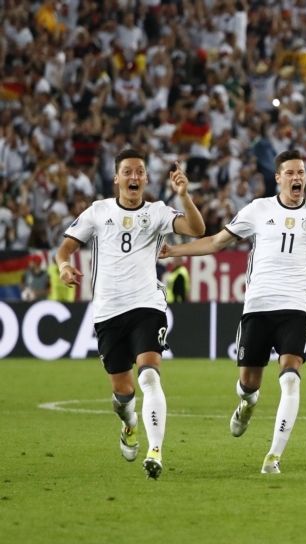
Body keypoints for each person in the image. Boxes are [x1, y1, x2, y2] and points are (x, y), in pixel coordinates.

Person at [160, 149, 306, 474]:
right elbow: (217, 242)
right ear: (278, 177)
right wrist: (174, 250)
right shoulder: (258, 209)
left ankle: (273, 457)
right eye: (290, 172)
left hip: (295, 308)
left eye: (301, 172)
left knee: (291, 378)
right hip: (258, 307)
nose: (297, 177)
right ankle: (247, 402)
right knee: (249, 384)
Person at [55, 149, 206, 479]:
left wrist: (184, 196)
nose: (134, 177)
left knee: (150, 375)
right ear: (116, 178)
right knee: (123, 394)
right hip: (108, 312)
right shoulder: (99, 211)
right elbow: (65, 247)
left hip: (146, 306)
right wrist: (64, 266)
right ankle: (129, 423)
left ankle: (155, 451)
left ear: (146, 178)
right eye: (128, 172)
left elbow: (197, 229)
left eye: (139, 172)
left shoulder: (158, 212)